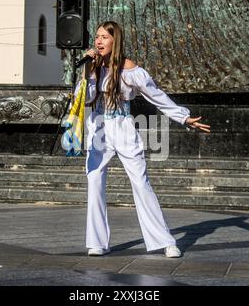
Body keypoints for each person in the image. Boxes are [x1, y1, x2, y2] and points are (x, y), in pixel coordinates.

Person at [75, 21, 210, 258]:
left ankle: (165, 241)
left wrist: (183, 117)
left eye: (104, 37)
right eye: (97, 37)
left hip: (123, 127)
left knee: (140, 183)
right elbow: (81, 97)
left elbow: (157, 96)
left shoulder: (130, 69)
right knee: (94, 182)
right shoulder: (92, 67)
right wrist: (87, 71)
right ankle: (97, 242)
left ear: (115, 41)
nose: (98, 41)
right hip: (97, 127)